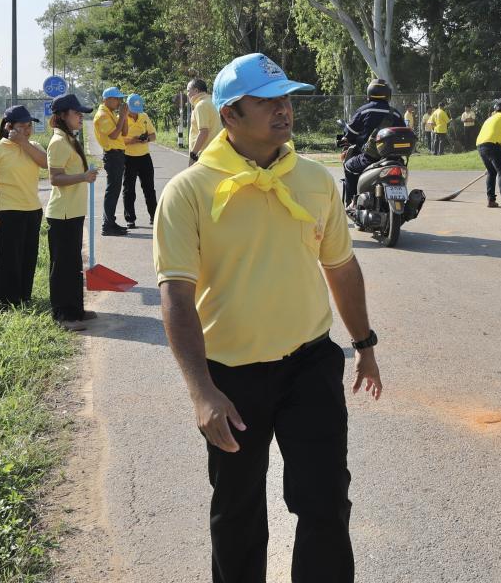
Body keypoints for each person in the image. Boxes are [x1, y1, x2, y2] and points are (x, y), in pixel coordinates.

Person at [154, 52, 383, 583]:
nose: (284, 111)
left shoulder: (315, 179)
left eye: (286, 99)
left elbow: (342, 267)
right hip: (231, 378)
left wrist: (364, 344)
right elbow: (177, 298)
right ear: (230, 114)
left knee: (326, 501)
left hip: (310, 366)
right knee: (237, 511)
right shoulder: (189, 191)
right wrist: (201, 391)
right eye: (267, 102)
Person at [0, 105, 47, 310]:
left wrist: (23, 142)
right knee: (5, 260)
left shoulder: (34, 146)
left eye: (30, 125)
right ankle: (2, 303)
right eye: (23, 126)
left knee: (28, 256)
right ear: (8, 126)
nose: (28, 129)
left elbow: (46, 163)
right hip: (5, 211)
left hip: (32, 210)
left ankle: (23, 298)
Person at [45, 94, 99, 331]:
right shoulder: (58, 142)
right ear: (63, 116)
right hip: (62, 214)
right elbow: (55, 178)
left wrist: (85, 174)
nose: (80, 117)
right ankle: (63, 316)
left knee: (73, 263)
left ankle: (76, 309)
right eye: (77, 113)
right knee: (63, 266)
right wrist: (83, 177)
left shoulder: (69, 139)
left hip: (73, 212)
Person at [339, 79, 404, 205]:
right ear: (388, 95)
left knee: (348, 166)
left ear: (369, 94)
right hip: (394, 160)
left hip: (369, 158)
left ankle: (352, 201)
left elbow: (350, 133)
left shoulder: (364, 111)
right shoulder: (395, 114)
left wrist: (344, 139)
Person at [94, 87, 131, 236]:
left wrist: (124, 116)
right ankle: (107, 225)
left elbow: (124, 132)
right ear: (106, 99)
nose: (119, 102)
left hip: (118, 155)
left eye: (119, 99)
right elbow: (115, 135)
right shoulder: (102, 115)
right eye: (116, 99)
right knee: (112, 191)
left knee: (114, 191)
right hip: (112, 155)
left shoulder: (111, 114)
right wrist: (122, 116)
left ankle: (110, 222)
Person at [124, 92, 159, 229]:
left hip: (144, 156)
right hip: (128, 157)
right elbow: (118, 139)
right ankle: (130, 219)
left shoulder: (144, 116)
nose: (135, 113)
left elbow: (153, 135)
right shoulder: (121, 118)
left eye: (137, 110)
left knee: (149, 188)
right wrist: (132, 140)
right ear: (127, 106)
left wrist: (146, 139)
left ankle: (154, 215)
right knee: (129, 190)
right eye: (133, 110)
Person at [188, 78, 221, 165]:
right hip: (213, 153)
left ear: (196, 90)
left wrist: (193, 154)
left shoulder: (201, 105)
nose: (187, 94)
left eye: (188, 91)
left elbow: (204, 132)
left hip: (203, 155)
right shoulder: (210, 102)